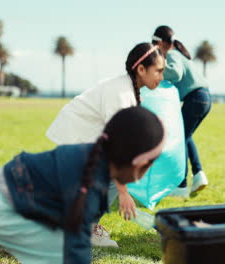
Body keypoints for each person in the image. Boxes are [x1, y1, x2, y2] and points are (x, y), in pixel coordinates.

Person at [0, 107, 166, 264]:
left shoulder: (95, 158)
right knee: (58, 255)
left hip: (1, 190)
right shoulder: (89, 186)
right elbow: (76, 247)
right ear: (138, 165)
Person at [46, 42, 164, 247]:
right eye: (158, 71)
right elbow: (113, 147)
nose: (161, 77)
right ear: (142, 69)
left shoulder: (131, 90)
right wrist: (123, 191)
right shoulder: (121, 94)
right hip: (74, 137)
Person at [152, 25, 211, 197]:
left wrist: (156, 69)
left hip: (196, 98)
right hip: (203, 97)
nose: (154, 49)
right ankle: (199, 174)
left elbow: (176, 74)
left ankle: (182, 185)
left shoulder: (172, 54)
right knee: (186, 136)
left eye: (154, 45)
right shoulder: (178, 53)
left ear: (162, 42)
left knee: (181, 137)